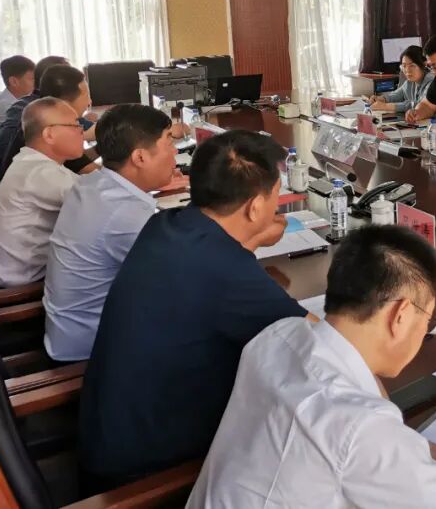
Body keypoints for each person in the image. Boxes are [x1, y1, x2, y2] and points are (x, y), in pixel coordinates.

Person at [187, 225, 436, 509]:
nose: (424, 332)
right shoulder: (362, 427)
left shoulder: (281, 335)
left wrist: (409, 452)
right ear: (401, 316)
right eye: (427, 320)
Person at [79, 130, 315, 486]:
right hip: (146, 469)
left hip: (108, 431)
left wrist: (252, 237)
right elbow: (323, 345)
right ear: (255, 207)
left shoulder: (166, 223)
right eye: (275, 197)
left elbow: (215, 268)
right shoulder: (228, 273)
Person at [42, 104, 179, 363]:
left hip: (68, 331)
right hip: (91, 350)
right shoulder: (124, 215)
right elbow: (179, 282)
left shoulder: (93, 184)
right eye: (169, 142)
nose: (175, 152)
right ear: (140, 157)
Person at [0, 97, 88, 288]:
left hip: (19, 272)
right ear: (49, 134)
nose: (82, 132)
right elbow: (100, 202)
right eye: (75, 125)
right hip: (21, 287)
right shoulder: (41, 174)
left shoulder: (31, 162)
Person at [0, 59, 99, 195]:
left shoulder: (36, 110)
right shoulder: (45, 121)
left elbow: (78, 164)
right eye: (86, 95)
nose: (89, 102)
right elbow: (94, 186)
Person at [369, 45, 435, 114]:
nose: (407, 70)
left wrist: (386, 106)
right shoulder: (410, 82)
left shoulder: (432, 81)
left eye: (412, 66)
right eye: (404, 66)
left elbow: (421, 105)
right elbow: (396, 95)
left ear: (424, 65)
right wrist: (381, 99)